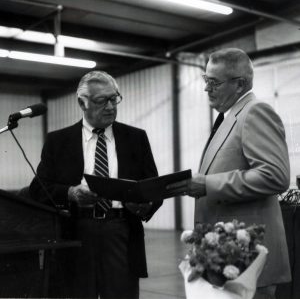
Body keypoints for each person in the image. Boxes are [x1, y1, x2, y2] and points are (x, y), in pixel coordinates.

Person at [168, 48, 291, 299]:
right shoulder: (229, 117)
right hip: (228, 258)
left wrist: (208, 184)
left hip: (249, 262)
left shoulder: (255, 112)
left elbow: (275, 175)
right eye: (206, 80)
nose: (206, 89)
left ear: (240, 84)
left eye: (214, 82)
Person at [29, 70, 163, 299]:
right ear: (82, 103)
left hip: (121, 232)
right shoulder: (58, 141)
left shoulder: (136, 138)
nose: (111, 106)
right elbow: (38, 189)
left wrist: (144, 205)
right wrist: (71, 193)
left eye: (114, 98)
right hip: (75, 233)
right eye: (102, 101)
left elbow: (154, 187)